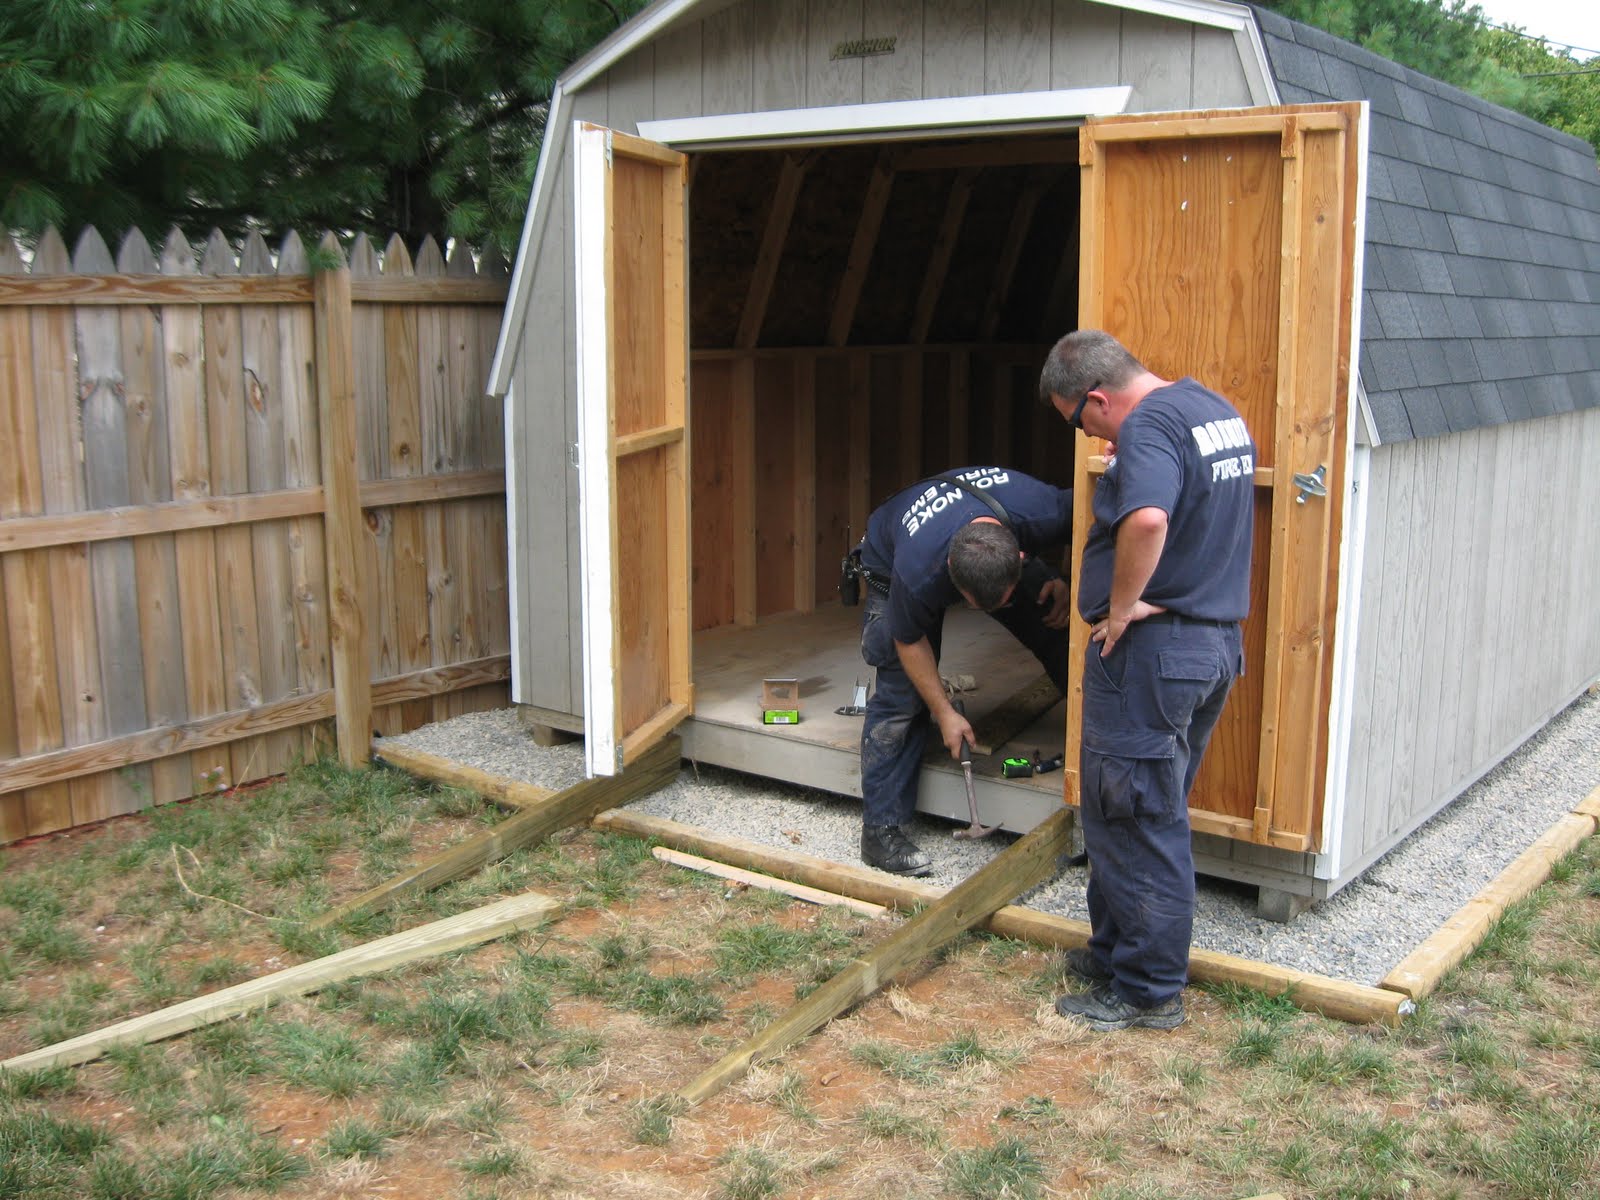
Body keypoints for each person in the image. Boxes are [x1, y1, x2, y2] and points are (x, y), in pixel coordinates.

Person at [1038, 330, 1254, 1032]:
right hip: (1210, 647)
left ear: (1097, 398)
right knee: (1129, 808)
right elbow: (1180, 496)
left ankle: (1147, 990)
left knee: (1137, 815)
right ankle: (1114, 951)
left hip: (1154, 658)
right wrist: (1130, 462)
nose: (1083, 434)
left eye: (1078, 420)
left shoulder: (1153, 425)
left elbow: (1153, 517)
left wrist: (1124, 603)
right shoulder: (1207, 407)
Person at [853, 466, 1073, 875]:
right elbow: (908, 641)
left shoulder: (1043, 509)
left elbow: (1097, 516)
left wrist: (1066, 577)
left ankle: (1093, 761)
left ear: (1020, 555)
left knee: (1056, 621)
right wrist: (945, 712)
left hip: (989, 539)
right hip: (892, 558)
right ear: (952, 576)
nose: (985, 616)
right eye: (975, 606)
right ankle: (880, 831)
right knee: (902, 698)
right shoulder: (918, 572)